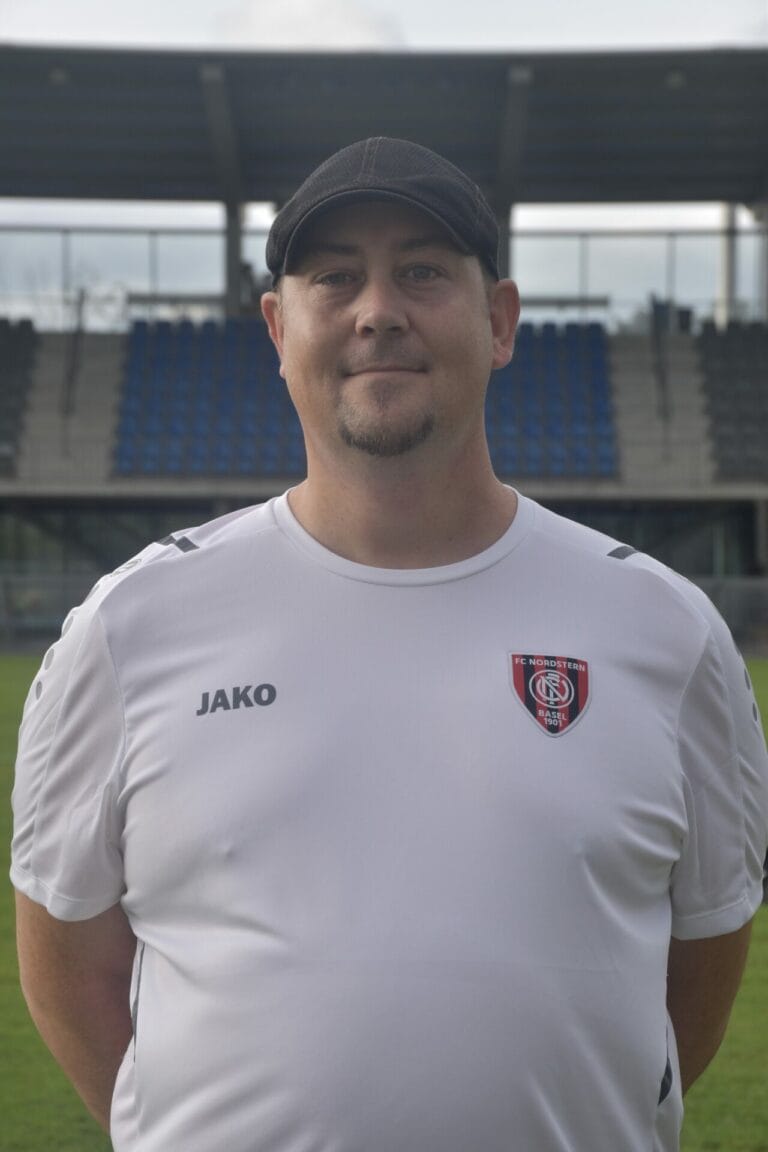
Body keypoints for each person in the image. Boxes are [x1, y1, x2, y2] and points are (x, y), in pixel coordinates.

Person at [11, 136, 768, 1152]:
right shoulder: (128, 628)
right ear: (278, 329)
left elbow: (702, 963)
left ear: (500, 321)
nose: (378, 310)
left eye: (422, 271)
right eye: (336, 277)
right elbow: (67, 964)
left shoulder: (668, 634)